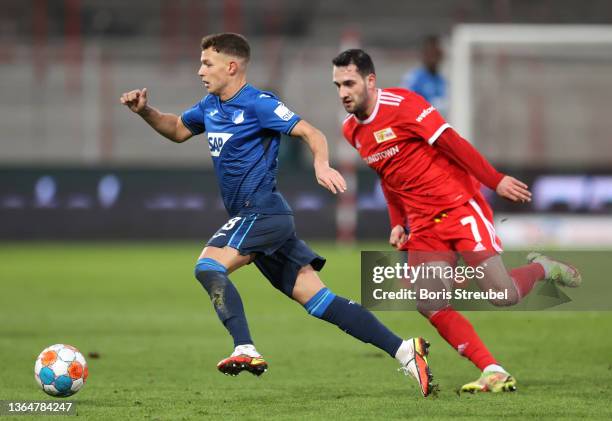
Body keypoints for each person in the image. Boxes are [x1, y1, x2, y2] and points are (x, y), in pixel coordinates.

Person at [120, 33, 434, 397]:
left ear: (231, 66)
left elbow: (311, 132)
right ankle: (404, 350)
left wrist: (321, 164)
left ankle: (245, 347)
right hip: (261, 220)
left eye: (207, 63)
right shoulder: (209, 106)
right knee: (319, 301)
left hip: (263, 212)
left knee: (208, 267)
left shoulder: (259, 104)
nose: (200, 70)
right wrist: (145, 111)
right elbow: (176, 129)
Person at [332, 49, 582, 393]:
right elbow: (387, 177)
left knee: (502, 294)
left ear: (370, 81)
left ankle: (543, 268)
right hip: (422, 226)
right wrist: (398, 222)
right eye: (338, 85)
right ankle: (492, 369)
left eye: (349, 83)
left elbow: (452, 142)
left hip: (460, 208)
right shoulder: (351, 131)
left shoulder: (403, 105)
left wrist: (494, 180)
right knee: (429, 302)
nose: (343, 92)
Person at [401, 35, 448, 117]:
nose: (433, 58)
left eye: (435, 54)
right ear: (423, 55)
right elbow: (403, 103)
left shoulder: (444, 80)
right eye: (430, 53)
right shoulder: (414, 78)